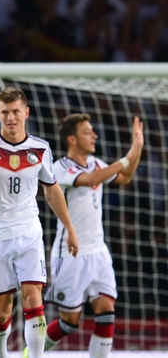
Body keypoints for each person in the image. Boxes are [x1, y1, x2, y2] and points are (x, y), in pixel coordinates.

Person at [0, 87, 79, 358]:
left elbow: (52, 190)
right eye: (5, 112)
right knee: (1, 311)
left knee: (34, 298)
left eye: (15, 112)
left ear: (26, 112)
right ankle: (1, 354)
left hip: (28, 232)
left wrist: (69, 228)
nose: (10, 118)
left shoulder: (40, 148)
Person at [40, 114, 143, 357]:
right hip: (71, 254)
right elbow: (90, 180)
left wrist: (137, 149)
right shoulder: (60, 168)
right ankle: (30, 351)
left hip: (98, 251)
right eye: (88, 132)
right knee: (69, 323)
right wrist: (130, 154)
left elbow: (125, 177)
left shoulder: (96, 162)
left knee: (106, 311)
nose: (94, 135)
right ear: (72, 139)